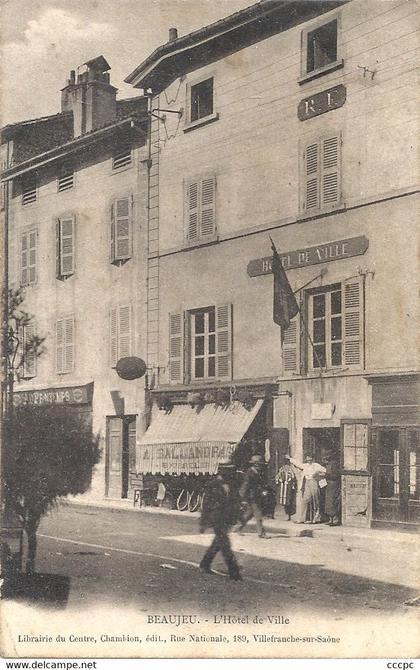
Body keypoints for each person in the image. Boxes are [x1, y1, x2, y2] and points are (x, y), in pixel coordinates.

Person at [199, 462, 242, 581]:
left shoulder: (231, 485)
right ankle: (234, 572)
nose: (232, 475)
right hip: (216, 518)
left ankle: (205, 563)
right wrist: (203, 522)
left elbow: (235, 502)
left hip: (227, 518)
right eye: (230, 473)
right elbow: (206, 505)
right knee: (225, 544)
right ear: (224, 473)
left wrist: (238, 517)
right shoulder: (212, 485)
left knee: (218, 543)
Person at [286, 454, 326, 524]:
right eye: (308, 459)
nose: (309, 461)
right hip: (307, 483)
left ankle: (316, 519)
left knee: (315, 500)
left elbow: (325, 471)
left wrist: (317, 474)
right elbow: (298, 464)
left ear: (313, 459)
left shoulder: (316, 465)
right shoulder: (305, 465)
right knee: (305, 500)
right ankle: (302, 519)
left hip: (313, 482)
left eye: (310, 459)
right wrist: (290, 459)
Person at [235, 454, 267, 538]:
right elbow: (246, 485)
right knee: (258, 514)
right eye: (259, 464)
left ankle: (238, 527)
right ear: (255, 464)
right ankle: (261, 533)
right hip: (251, 496)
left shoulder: (256, 472)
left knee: (249, 514)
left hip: (254, 495)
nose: (260, 466)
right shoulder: (251, 472)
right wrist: (242, 496)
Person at [275, 455, 297, 520]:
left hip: (288, 486)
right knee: (282, 500)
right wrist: (279, 480)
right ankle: (284, 513)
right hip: (282, 486)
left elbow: (293, 477)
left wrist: (291, 483)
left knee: (288, 499)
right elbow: (278, 476)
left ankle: (289, 514)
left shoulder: (291, 469)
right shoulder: (281, 469)